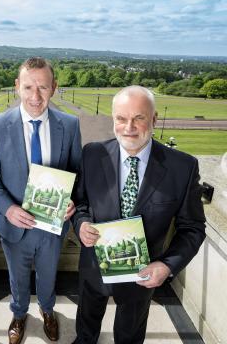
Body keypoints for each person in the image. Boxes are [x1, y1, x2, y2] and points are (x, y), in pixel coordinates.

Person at [71, 85, 206, 344]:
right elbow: (81, 202)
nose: (128, 127)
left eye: (139, 118)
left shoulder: (183, 167)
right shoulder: (92, 153)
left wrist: (167, 265)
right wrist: (81, 223)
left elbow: (193, 228)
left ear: (154, 119)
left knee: (129, 335)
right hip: (94, 266)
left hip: (142, 275)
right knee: (86, 328)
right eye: (121, 118)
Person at [0, 57, 81, 344]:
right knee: (17, 277)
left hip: (53, 226)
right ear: (17, 87)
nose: (35, 96)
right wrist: (7, 208)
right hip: (14, 224)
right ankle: (18, 313)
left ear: (54, 87)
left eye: (42, 87)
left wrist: (73, 201)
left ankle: (48, 311)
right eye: (28, 87)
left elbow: (77, 172)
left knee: (48, 275)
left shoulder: (71, 124)